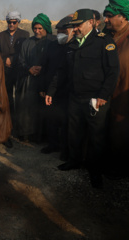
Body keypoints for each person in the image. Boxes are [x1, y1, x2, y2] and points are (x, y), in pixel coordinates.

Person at [57, 9, 119, 189]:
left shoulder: (104, 42)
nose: (75, 29)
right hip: (75, 98)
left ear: (91, 23)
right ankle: (74, 161)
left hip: (95, 100)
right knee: (74, 132)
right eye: (73, 26)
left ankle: (95, 171)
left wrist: (103, 95)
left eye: (78, 25)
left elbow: (112, 71)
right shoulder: (73, 44)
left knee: (96, 137)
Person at [16, 13, 56, 142]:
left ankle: (43, 137)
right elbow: (20, 60)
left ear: (46, 28)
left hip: (47, 81)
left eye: (40, 28)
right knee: (28, 109)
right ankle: (27, 134)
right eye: (35, 28)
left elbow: (56, 62)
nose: (37, 31)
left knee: (45, 109)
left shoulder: (53, 42)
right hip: (29, 80)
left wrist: (43, 68)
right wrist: (29, 69)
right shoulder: (27, 42)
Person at [103, 0, 129, 177]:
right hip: (106, 96)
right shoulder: (105, 36)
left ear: (124, 17)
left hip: (124, 95)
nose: (106, 20)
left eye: (110, 16)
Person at [43, 16, 75, 159]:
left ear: (72, 31)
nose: (61, 34)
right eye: (59, 31)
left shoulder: (74, 46)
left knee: (66, 121)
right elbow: (45, 67)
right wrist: (43, 88)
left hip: (67, 90)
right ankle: (52, 144)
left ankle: (65, 149)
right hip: (51, 88)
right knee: (51, 118)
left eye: (64, 31)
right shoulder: (52, 45)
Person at [0, 11, 29, 126]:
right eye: (9, 22)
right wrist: (5, 61)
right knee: (7, 97)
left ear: (18, 22)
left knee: (19, 98)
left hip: (20, 71)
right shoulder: (1, 36)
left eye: (14, 22)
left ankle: (19, 124)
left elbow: (25, 53)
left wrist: (13, 59)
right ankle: (9, 122)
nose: (11, 24)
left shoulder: (25, 35)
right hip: (6, 71)